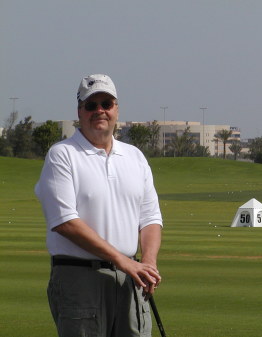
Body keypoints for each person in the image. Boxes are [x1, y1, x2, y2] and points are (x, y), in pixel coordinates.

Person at [35, 74, 163, 337]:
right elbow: (65, 222)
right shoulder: (63, 154)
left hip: (130, 278)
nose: (100, 111)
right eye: (91, 105)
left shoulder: (135, 157)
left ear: (117, 109)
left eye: (107, 103)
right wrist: (122, 261)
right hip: (80, 277)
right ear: (79, 111)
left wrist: (148, 263)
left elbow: (150, 218)